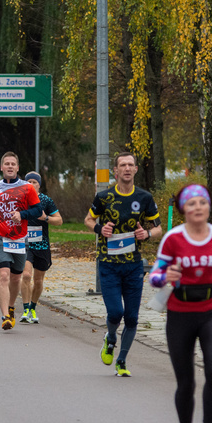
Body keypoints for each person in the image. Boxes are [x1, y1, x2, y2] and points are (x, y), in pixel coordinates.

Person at [149, 184, 212, 423]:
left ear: (209, 207)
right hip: (180, 312)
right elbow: (154, 276)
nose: (198, 207)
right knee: (185, 382)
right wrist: (166, 276)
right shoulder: (173, 239)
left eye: (203, 202)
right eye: (192, 203)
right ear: (183, 209)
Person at [84, 152, 162, 376]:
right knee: (116, 312)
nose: (127, 168)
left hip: (133, 266)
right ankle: (110, 338)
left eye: (131, 165)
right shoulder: (104, 197)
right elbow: (88, 219)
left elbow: (158, 228)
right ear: (115, 171)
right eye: (122, 165)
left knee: (132, 317)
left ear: (136, 169)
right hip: (108, 264)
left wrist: (145, 233)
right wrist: (100, 229)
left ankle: (122, 361)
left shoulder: (145, 198)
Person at [0, 152, 43, 330]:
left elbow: (37, 210)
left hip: (20, 238)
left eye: (13, 164)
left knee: (16, 278)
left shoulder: (27, 188)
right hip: (0, 237)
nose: (10, 166)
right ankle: (5, 315)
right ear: (1, 167)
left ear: (17, 167)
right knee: (4, 275)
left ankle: (11, 307)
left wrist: (22, 215)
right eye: (6, 164)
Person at [19, 172, 62, 324]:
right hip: (25, 244)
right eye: (28, 181)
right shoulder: (20, 199)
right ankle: (25, 308)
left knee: (38, 280)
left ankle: (32, 307)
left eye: (34, 182)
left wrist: (46, 218)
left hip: (42, 244)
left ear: (39, 185)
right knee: (26, 275)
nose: (31, 184)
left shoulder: (45, 200)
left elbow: (59, 221)